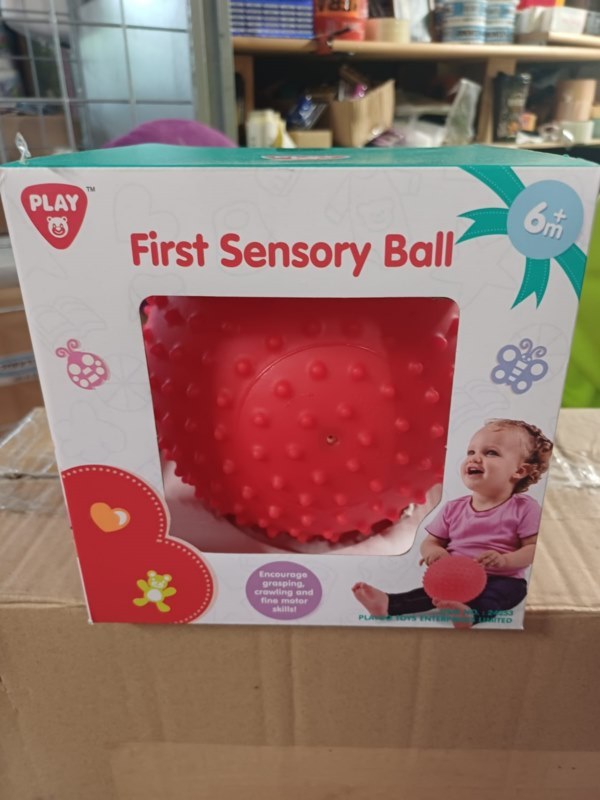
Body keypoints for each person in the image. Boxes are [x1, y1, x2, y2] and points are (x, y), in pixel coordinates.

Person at [352, 418, 553, 628]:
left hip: (502, 578)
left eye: (491, 452)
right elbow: (431, 541)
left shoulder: (524, 508)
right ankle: (389, 604)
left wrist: (505, 560)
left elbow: (533, 548)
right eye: (471, 452)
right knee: (429, 593)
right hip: (455, 577)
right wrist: (434, 552)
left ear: (519, 471)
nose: (475, 458)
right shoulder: (453, 508)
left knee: (506, 593)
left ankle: (470, 614)